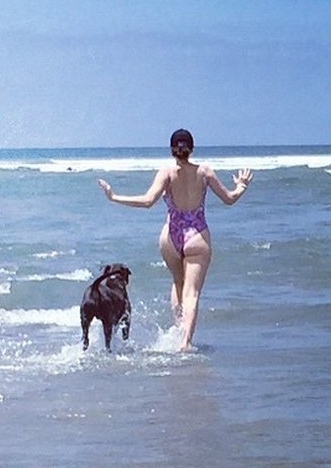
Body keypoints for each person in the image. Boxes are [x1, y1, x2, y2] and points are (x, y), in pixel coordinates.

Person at [97, 128, 253, 351]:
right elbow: (229, 199)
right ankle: (185, 342)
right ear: (192, 149)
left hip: (170, 237)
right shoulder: (205, 171)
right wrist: (242, 185)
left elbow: (147, 201)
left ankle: (177, 330)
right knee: (192, 292)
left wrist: (113, 197)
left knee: (178, 283)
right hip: (197, 235)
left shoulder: (167, 172)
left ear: (171, 150)